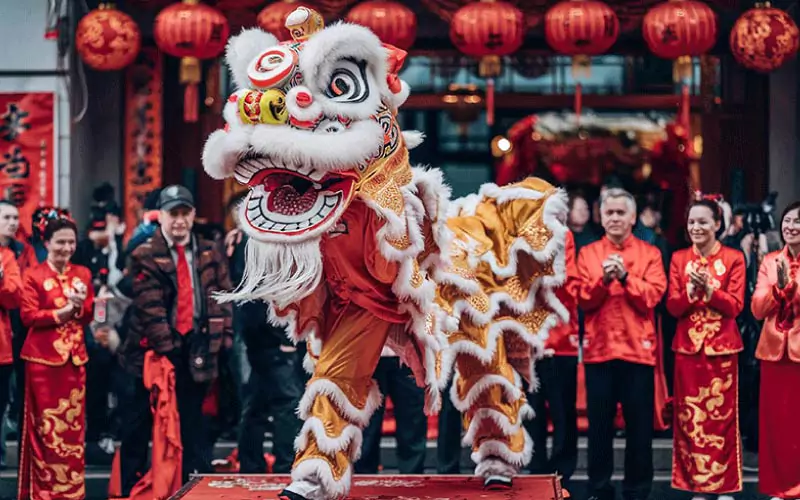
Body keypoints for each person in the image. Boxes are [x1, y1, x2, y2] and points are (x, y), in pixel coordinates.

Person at [116, 185, 233, 494]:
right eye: (173, 214)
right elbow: (150, 310)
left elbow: (223, 299)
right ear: (161, 217)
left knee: (194, 426)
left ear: (193, 215)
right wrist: (171, 349)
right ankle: (132, 489)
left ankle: (194, 489)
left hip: (197, 350)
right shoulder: (143, 253)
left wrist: (223, 341)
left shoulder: (211, 251)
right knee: (139, 427)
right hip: (150, 355)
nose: (179, 221)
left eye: (185, 213)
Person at [577, 188, 667, 500]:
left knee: (639, 431)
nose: (614, 218)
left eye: (620, 213)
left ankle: (637, 491)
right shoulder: (588, 254)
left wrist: (626, 277)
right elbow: (583, 299)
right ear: (600, 217)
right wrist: (603, 281)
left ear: (632, 217)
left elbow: (653, 297)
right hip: (599, 350)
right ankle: (599, 490)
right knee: (599, 429)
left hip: (637, 351)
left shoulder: (650, 253)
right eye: (609, 213)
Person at [666, 196, 745, 500]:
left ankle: (724, 486)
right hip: (687, 350)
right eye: (691, 222)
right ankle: (697, 486)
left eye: (702, 221)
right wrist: (688, 293)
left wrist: (711, 291)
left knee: (723, 421)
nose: (696, 227)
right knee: (689, 420)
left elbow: (736, 306)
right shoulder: (678, 259)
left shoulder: (734, 258)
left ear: (717, 224)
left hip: (722, 350)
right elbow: (672, 308)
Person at [17, 212, 94, 499]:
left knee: (73, 428)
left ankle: (72, 492)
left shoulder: (82, 274)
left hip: (75, 359)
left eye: (70, 242)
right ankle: (46, 491)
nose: (66, 248)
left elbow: (86, 315)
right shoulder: (34, 276)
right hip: (42, 362)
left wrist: (81, 306)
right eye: (60, 242)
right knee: (46, 428)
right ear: (46, 243)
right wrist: (59, 313)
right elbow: (27, 316)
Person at [751, 200, 800, 500]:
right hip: (773, 353)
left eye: (798, 222)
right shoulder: (770, 260)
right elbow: (757, 308)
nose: (791, 226)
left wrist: (791, 289)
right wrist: (777, 290)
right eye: (787, 221)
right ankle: (778, 488)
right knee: (776, 425)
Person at [526, 230, 579, 490]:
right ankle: (535, 471)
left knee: (563, 412)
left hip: (561, 337)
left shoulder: (563, 235)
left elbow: (570, 282)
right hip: (528, 338)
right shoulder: (520, 234)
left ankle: (563, 474)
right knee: (532, 410)